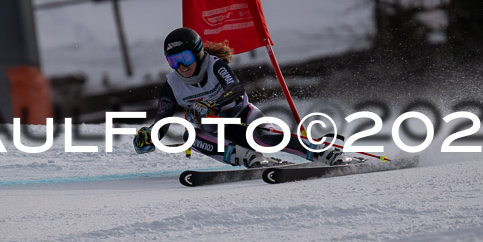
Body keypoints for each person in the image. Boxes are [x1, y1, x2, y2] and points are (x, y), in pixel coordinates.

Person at [133, 27, 348, 168]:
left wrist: (213, 104)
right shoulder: (172, 84)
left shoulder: (215, 65)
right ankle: (248, 158)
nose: (181, 67)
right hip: (214, 132)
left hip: (242, 117)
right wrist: (149, 136)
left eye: (185, 58)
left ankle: (323, 152)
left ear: (198, 53)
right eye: (173, 61)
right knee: (191, 136)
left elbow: (235, 88)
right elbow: (163, 120)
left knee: (262, 138)